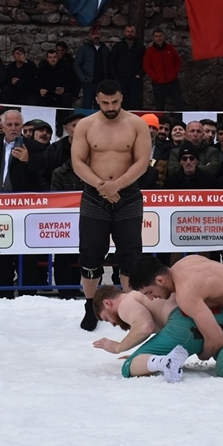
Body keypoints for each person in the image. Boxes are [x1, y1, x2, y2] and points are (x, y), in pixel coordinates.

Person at [69, 79, 151, 330]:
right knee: (90, 254)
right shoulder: (86, 125)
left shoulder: (137, 124)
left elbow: (142, 161)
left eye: (114, 101)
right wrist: (102, 185)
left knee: (130, 254)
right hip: (95, 195)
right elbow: (78, 161)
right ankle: (91, 304)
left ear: (122, 98)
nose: (110, 106)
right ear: (97, 100)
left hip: (128, 195)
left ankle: (129, 305)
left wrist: (118, 185)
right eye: (105, 102)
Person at [92, 284, 223, 381]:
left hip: (186, 325)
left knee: (129, 366)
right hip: (218, 318)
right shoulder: (140, 297)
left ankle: (165, 362)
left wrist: (118, 347)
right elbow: (156, 332)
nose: (113, 324)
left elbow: (144, 326)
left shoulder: (125, 302)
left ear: (107, 303)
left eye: (106, 318)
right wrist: (145, 355)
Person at [0, 109, 41, 298]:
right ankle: (2, 296)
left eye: (17, 125)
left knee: (27, 257)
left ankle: (29, 296)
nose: (13, 128)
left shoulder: (34, 147)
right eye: (9, 125)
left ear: (22, 126)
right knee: (0, 255)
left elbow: (44, 168)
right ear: (2, 126)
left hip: (25, 213)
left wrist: (29, 160)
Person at [143, 29, 183, 111]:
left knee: (178, 104)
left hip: (172, 82)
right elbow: (146, 66)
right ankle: (160, 122)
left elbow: (178, 61)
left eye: (160, 36)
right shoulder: (150, 51)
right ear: (153, 38)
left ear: (163, 36)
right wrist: (155, 77)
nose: (159, 38)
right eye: (156, 36)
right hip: (159, 84)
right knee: (159, 106)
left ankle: (179, 122)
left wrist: (174, 73)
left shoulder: (170, 49)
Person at [74, 27, 111, 109]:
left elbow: (108, 66)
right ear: (89, 35)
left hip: (101, 83)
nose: (96, 36)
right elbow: (76, 65)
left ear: (101, 35)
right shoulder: (83, 49)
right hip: (89, 83)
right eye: (94, 34)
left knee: (100, 106)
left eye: (98, 34)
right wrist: (83, 79)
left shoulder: (105, 49)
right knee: (87, 105)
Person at [109, 25, 145, 111]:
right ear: (124, 33)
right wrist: (115, 77)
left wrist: (139, 75)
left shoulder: (140, 47)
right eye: (128, 31)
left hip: (134, 79)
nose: (129, 34)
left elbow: (144, 63)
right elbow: (111, 62)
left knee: (134, 102)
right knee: (121, 101)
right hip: (120, 78)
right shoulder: (118, 46)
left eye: (131, 32)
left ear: (135, 33)